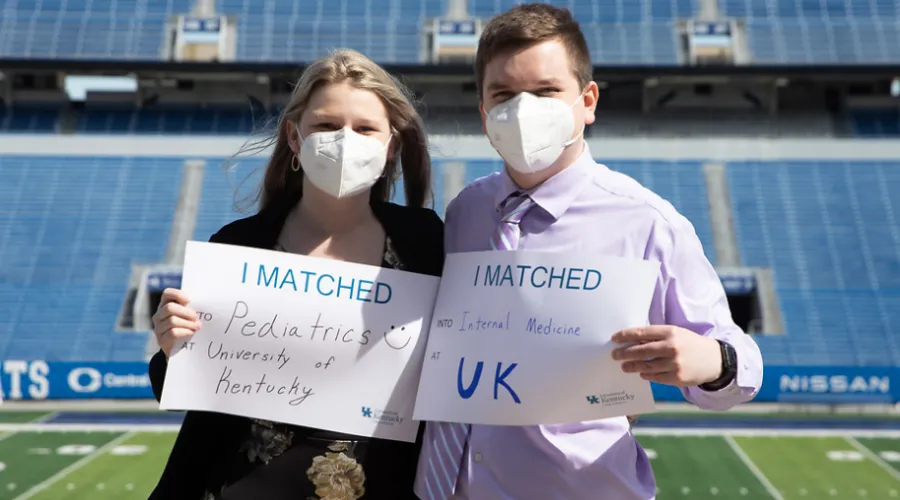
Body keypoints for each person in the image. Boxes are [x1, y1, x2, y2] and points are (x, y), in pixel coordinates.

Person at [414, 4, 763, 500]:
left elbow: (742, 364)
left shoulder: (646, 221)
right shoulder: (466, 211)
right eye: (504, 95)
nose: (523, 109)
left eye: (546, 91)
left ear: (588, 99)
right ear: (484, 112)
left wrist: (710, 361)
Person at [148, 49, 444, 500]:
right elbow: (186, 388)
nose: (346, 141)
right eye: (326, 125)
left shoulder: (425, 242)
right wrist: (172, 346)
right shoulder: (238, 244)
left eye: (365, 128)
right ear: (293, 137)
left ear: (392, 145)